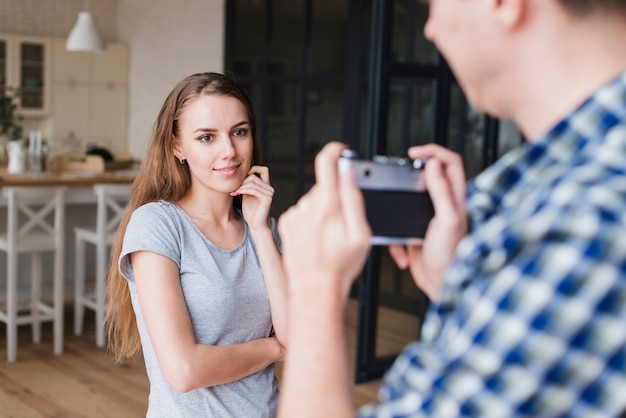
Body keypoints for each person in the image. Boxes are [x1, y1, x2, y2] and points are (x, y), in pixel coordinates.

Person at [277, 1, 626, 417]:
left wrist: (315, 288)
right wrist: (461, 284)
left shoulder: (584, 221)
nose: (430, 29)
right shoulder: (547, 176)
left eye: (434, 5)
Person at [104, 72, 287, 417]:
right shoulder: (158, 225)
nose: (229, 151)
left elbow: (297, 337)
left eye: (239, 132)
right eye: (207, 137)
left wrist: (260, 230)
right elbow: (185, 371)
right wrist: (274, 349)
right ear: (177, 146)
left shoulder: (267, 231)